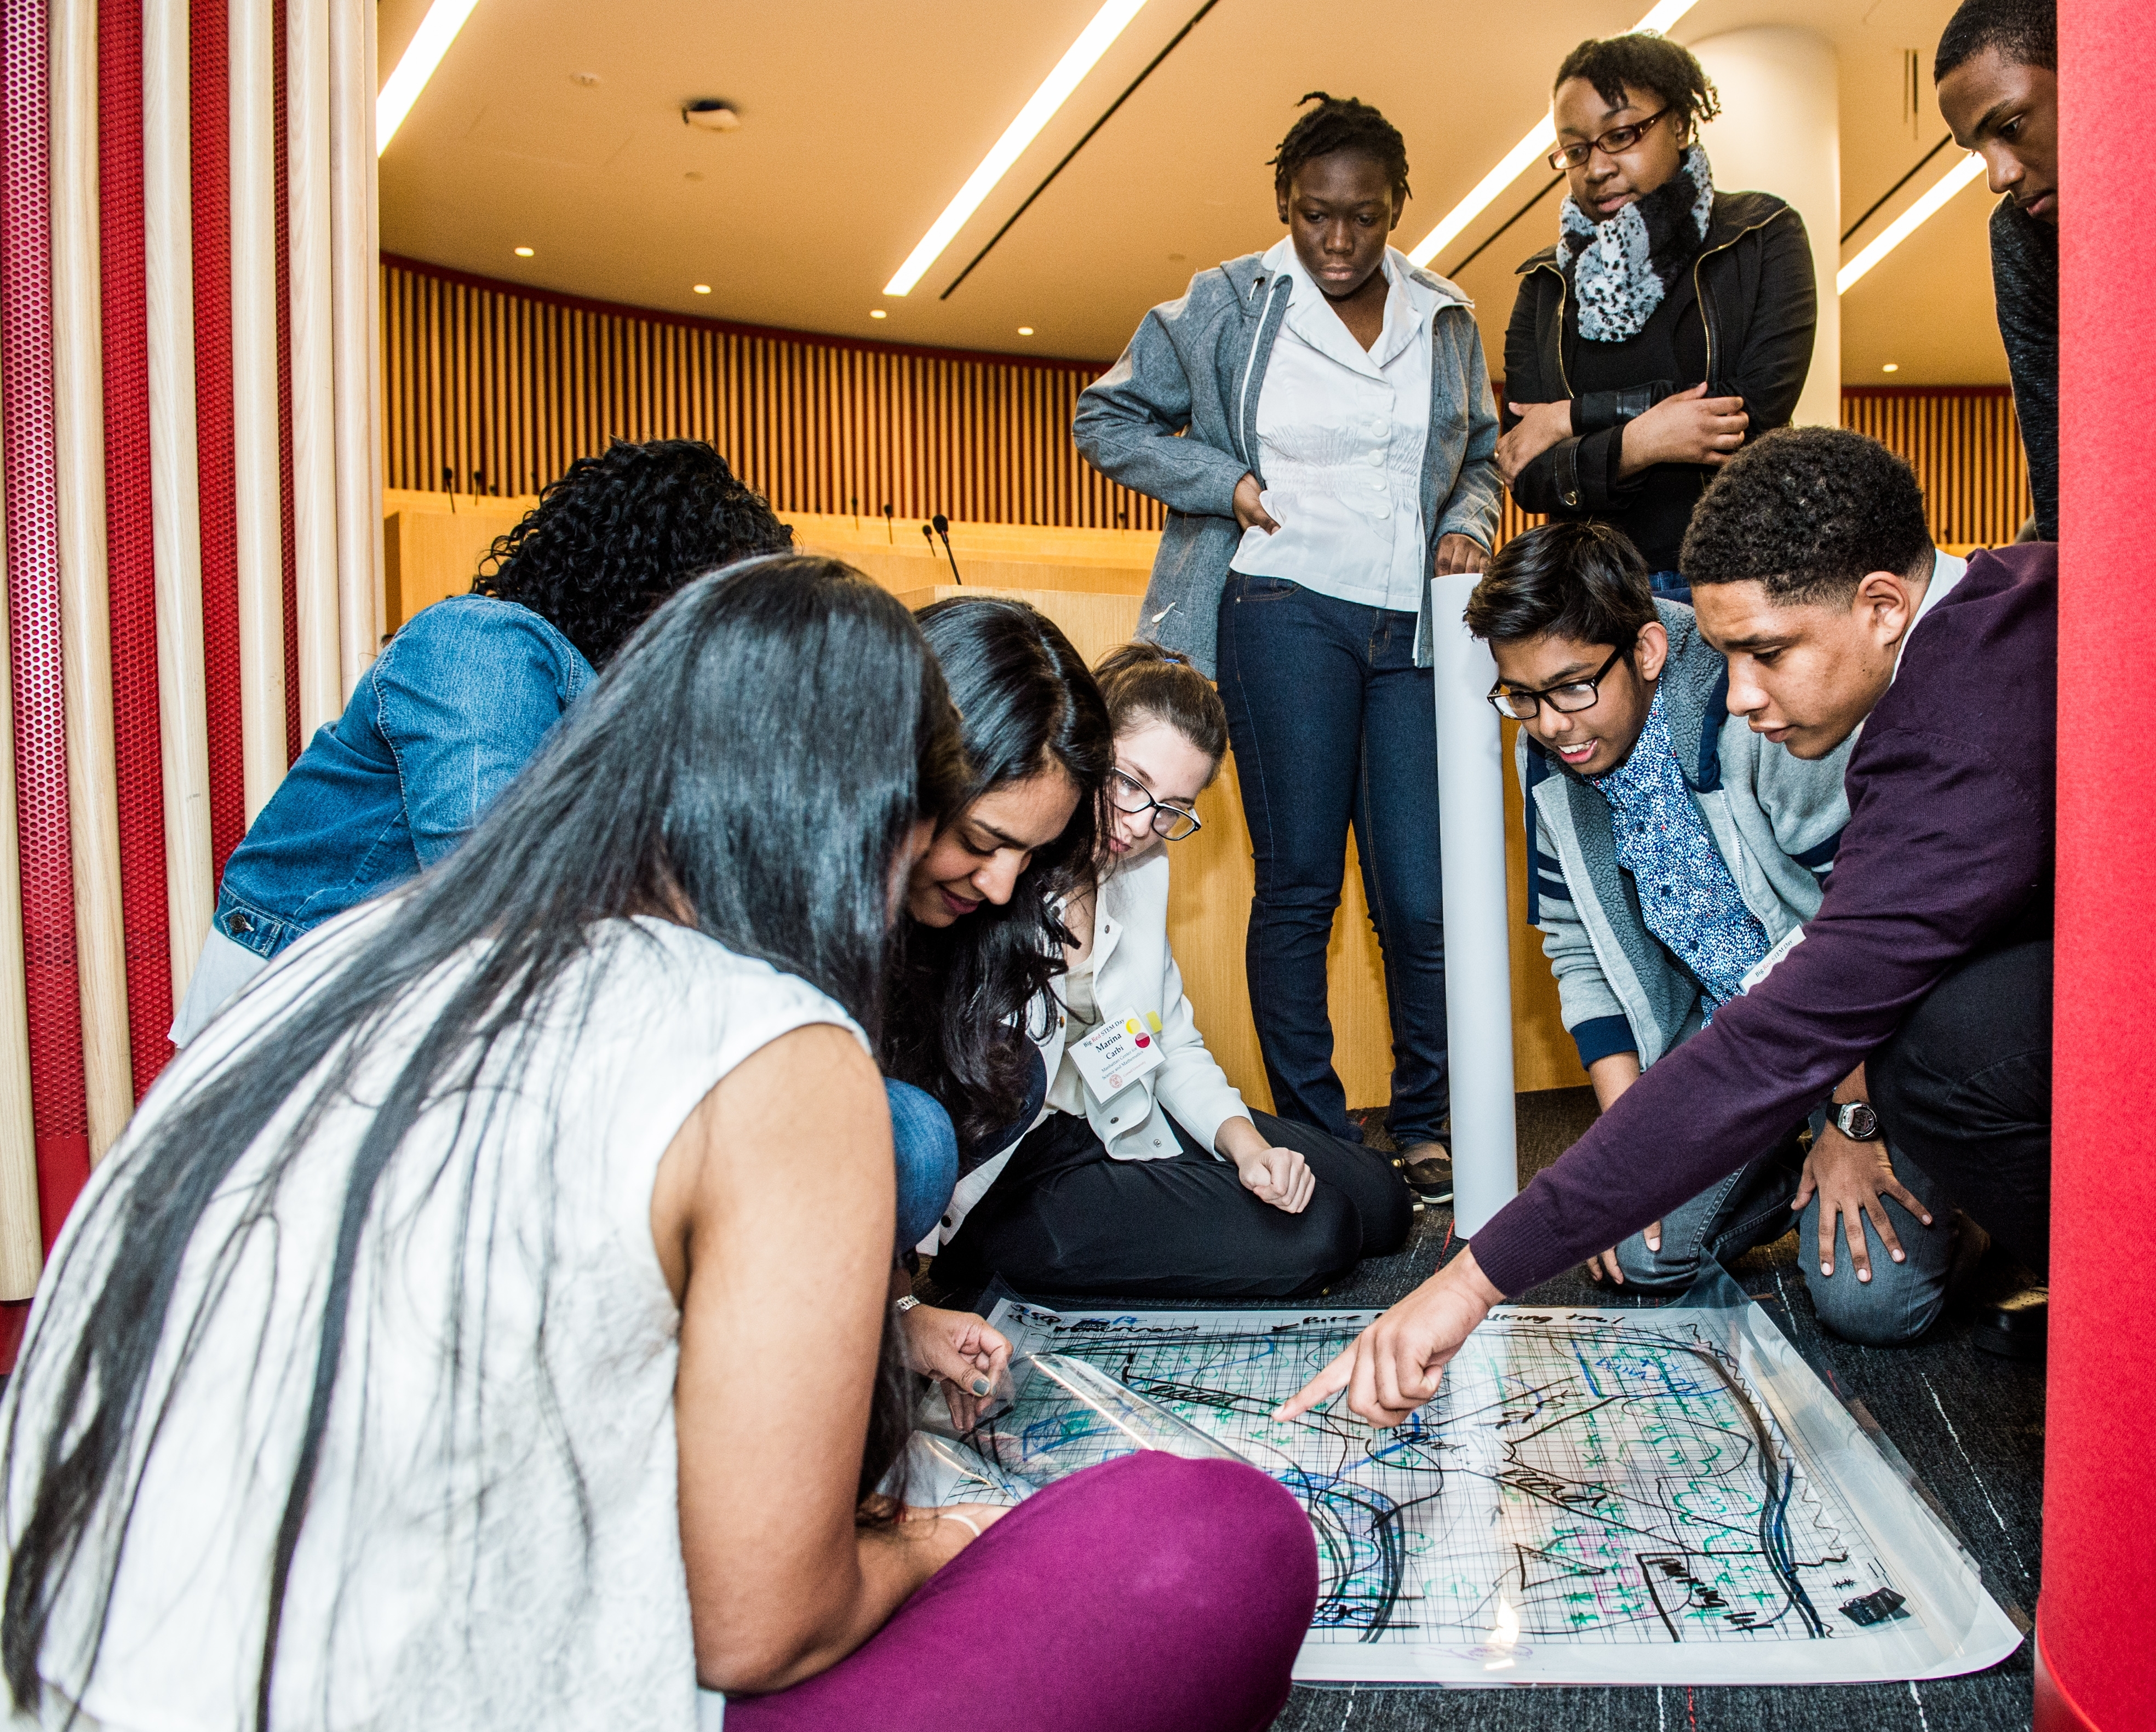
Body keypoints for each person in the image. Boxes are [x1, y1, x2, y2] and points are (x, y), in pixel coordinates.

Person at [0, 555, 1316, 1732]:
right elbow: (761, 1623)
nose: (982, 886)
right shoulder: (772, 1050)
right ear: (860, 803)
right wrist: (941, 1537)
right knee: (1217, 1535)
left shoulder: (351, 951)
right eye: (952, 823)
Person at [1280, 428, 2058, 1427]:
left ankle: (2098, 1283)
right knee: (1650, 1226)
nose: (1740, 692)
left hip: (1890, 1048)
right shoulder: (1999, 608)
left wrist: (1474, 1280)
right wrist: (1617, 1155)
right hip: (1781, 1034)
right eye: (1729, 653)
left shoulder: (1935, 739)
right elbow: (1622, 974)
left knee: (1922, 1105)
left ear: (1881, 605)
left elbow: (1803, 1016)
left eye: (1766, 651)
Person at [1073, 94, 1503, 1209]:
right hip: (1280, 609)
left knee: (1420, 897)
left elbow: (1481, 458)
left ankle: (1423, 1126)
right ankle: (1318, 1129)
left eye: (1363, 217)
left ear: (1397, 208)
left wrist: (1466, 523)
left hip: (1409, 627)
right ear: (1285, 205)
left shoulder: (1443, 315)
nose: (1340, 241)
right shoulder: (1228, 301)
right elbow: (1103, 420)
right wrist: (1222, 483)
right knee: (1301, 884)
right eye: (1316, 215)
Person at [1466, 523, 1980, 1343]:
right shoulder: (1556, 757)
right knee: (1634, 1253)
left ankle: (1964, 1196)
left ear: (1645, 650)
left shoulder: (1759, 709)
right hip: (1739, 1046)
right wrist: (1624, 1156)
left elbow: (1857, 935)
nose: (1549, 726)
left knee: (1870, 1305)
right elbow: (1574, 951)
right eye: (1518, 697)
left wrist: (1851, 1124)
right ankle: (1779, 1157)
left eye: (1568, 688)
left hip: (1869, 1043)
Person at [173, 439, 793, 1045]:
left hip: (408, 1002)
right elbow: (494, 882)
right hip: (306, 1010)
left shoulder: (610, 702)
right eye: (720, 610)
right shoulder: (478, 641)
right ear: (652, 584)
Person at [933, 644, 1414, 1301]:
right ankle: (1006, 1267)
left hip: (1120, 1111)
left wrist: (1245, 1147)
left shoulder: (1140, 868)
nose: (1138, 825)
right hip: (1020, 1170)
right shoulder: (996, 869)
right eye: (1128, 782)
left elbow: (1167, 1043)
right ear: (1085, 742)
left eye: (1170, 808)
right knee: (1320, 1232)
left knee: (1381, 1199)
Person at [1496, 33, 1819, 597]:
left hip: (1736, 582)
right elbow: (1528, 472)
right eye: (1575, 151)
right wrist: (1641, 441)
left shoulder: (1761, 235)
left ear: (1679, 122)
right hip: (1594, 597)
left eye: (1620, 136)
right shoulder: (1545, 283)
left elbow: (1751, 410)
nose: (1596, 167)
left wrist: (1568, 419)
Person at [880, 596, 1111, 1236]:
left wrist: (899, 1301)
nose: (1002, 886)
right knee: (922, 1142)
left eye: (1030, 853)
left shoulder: (987, 914)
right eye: (981, 841)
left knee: (1009, 1070)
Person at [1935, 0, 2059, 540]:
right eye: (1976, 152)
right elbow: (2059, 470)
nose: (1999, 175)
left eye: (2010, 126)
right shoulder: (2019, 236)